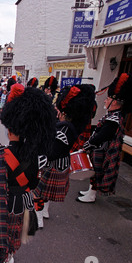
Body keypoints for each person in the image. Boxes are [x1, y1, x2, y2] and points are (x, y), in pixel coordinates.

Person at [0, 87, 57, 263]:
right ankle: (7, 260)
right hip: (20, 203)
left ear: (9, 129)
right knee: (13, 232)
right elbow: (34, 185)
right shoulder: (37, 158)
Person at [33, 84, 96, 228]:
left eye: (58, 109)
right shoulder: (69, 125)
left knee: (38, 192)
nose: (56, 110)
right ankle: (45, 211)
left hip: (52, 163)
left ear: (64, 111)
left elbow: (51, 150)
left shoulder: (64, 128)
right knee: (46, 193)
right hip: (62, 163)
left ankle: (38, 218)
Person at [77, 73, 132, 203]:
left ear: (115, 102)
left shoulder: (114, 119)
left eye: (108, 99)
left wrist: (88, 144)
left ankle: (92, 194)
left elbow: (102, 136)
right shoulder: (113, 115)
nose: (105, 101)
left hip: (103, 150)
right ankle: (90, 191)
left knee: (97, 172)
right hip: (100, 148)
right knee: (94, 172)